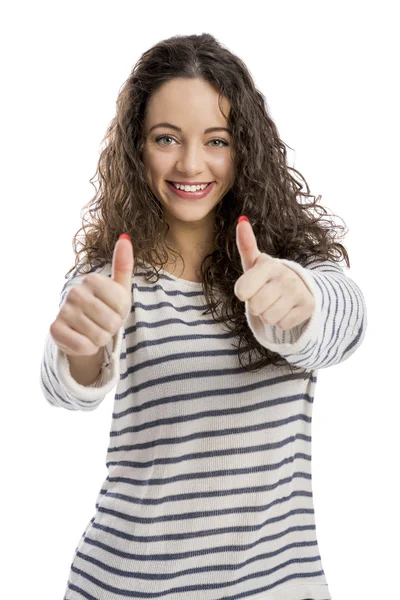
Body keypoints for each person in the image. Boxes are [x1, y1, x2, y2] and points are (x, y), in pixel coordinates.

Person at [40, 33, 367, 600]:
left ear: (244, 148)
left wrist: (301, 304)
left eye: (216, 140)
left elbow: (346, 322)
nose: (191, 163)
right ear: (136, 148)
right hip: (129, 585)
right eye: (166, 138)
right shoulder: (114, 279)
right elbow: (69, 385)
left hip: (278, 585)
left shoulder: (289, 264)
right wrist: (81, 346)